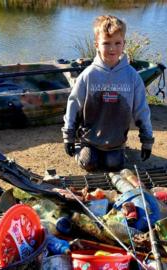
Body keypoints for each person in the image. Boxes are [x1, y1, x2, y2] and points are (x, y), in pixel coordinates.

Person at [61, 15, 154, 172]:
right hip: (90, 138)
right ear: (97, 45)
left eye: (117, 43)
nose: (112, 48)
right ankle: (81, 147)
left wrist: (147, 140)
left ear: (124, 44)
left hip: (115, 141)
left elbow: (142, 110)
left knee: (114, 165)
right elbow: (73, 105)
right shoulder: (88, 75)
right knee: (89, 163)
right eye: (106, 43)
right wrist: (68, 136)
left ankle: (119, 152)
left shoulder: (132, 76)